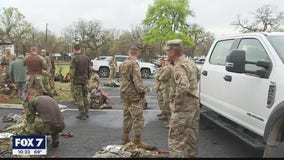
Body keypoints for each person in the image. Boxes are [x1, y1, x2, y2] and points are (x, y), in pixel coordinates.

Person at [165, 39, 201, 158]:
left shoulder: (179, 66)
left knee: (175, 141)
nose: (166, 54)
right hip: (194, 105)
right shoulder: (190, 62)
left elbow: (183, 85)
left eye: (167, 51)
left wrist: (177, 102)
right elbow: (198, 75)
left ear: (172, 52)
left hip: (183, 108)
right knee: (191, 137)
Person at [119, 45, 150, 149]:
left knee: (127, 116)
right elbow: (137, 81)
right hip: (133, 96)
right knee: (138, 118)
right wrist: (142, 93)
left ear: (129, 52)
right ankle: (137, 140)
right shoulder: (134, 64)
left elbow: (122, 79)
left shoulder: (123, 63)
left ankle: (125, 138)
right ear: (137, 53)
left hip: (124, 94)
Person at [70, 44, 91, 120]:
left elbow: (72, 72)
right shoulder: (86, 58)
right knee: (85, 96)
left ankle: (82, 114)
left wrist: (72, 82)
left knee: (79, 97)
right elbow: (89, 70)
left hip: (77, 80)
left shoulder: (74, 58)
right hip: (85, 79)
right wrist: (88, 78)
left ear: (75, 49)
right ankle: (86, 112)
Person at [155, 57, 173, 128]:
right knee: (164, 102)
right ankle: (167, 117)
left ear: (168, 61)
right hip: (164, 87)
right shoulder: (165, 67)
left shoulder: (168, 68)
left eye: (165, 61)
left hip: (167, 88)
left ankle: (170, 121)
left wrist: (158, 76)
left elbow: (161, 77)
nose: (164, 62)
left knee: (167, 104)